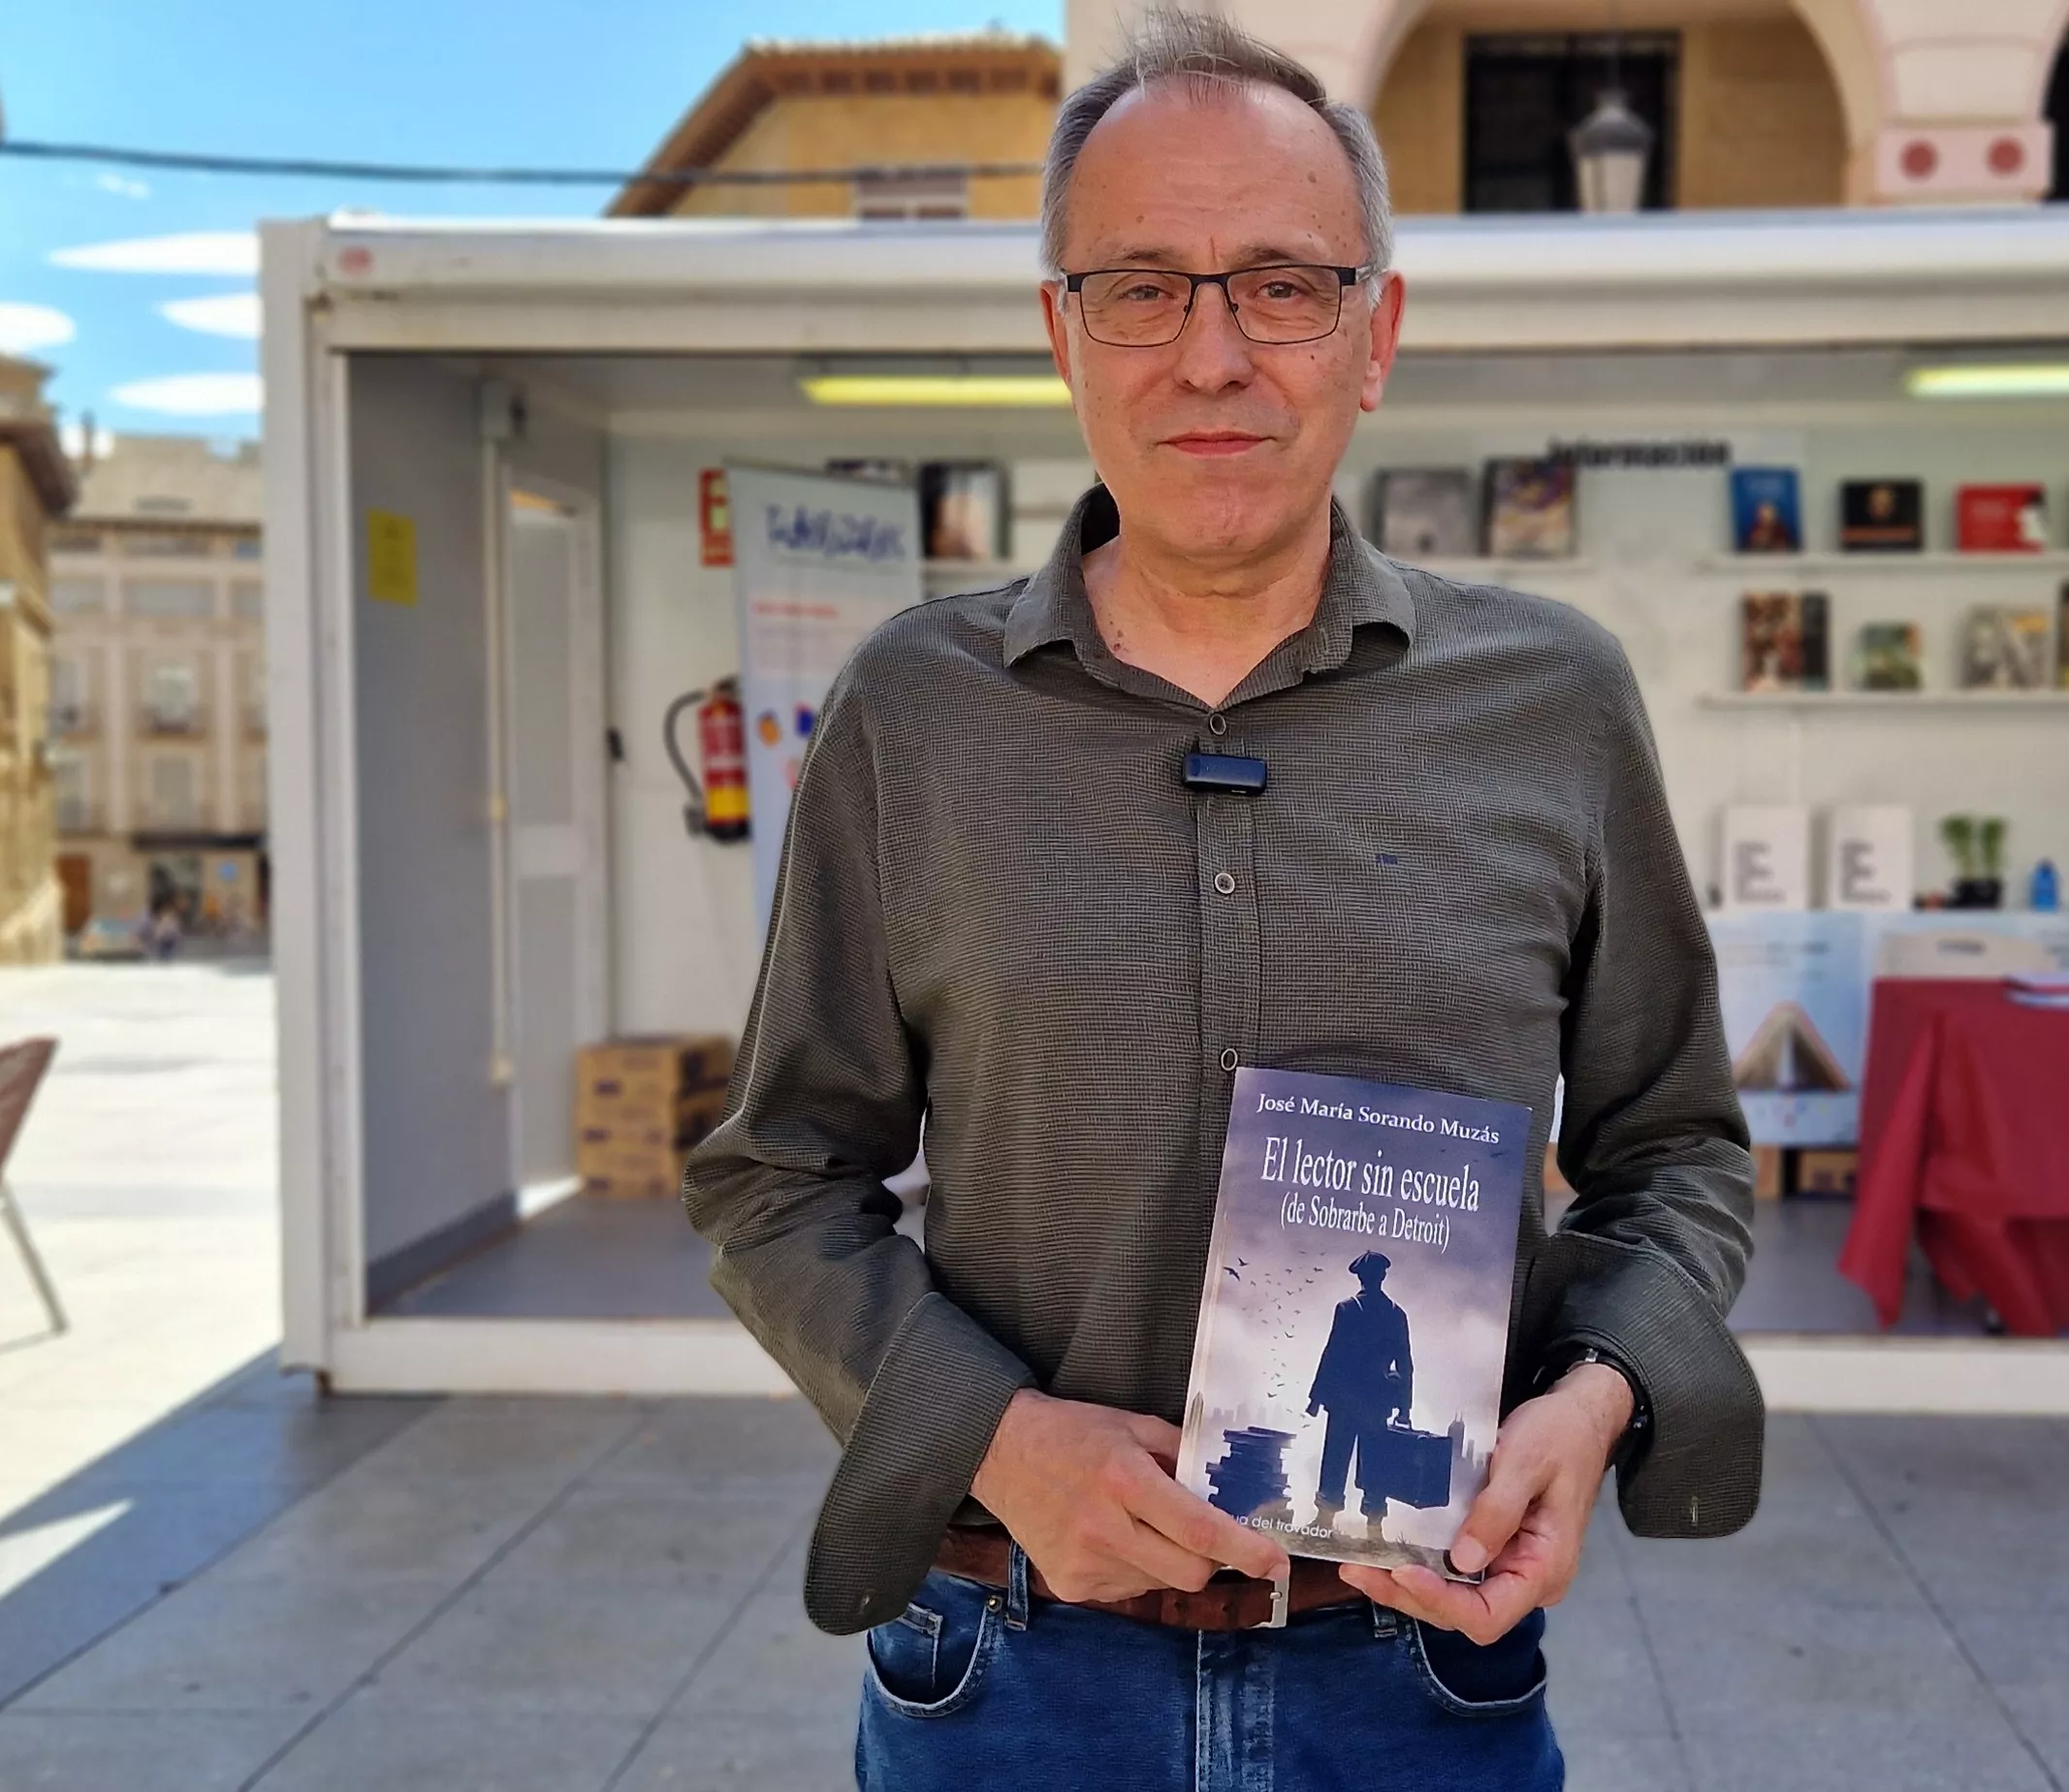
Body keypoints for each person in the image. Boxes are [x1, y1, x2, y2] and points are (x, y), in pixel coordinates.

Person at [682, 13, 1760, 1788]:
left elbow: (1678, 1149)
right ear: (1062, 333)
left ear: (1375, 333)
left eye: (1281, 285)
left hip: (1422, 1674)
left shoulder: (1554, 701)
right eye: (1140, 289)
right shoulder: (914, 712)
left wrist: (1600, 1395)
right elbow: (776, 1177)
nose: (1212, 354)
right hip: (1007, 1673)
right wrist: (998, 1437)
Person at [1305, 1251, 1414, 1539]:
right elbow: (1405, 1365)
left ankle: (1325, 1520)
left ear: (1361, 1277)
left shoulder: (1347, 1309)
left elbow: (1332, 1354)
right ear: (1382, 1276)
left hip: (1344, 1399)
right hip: (1377, 1402)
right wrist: (1404, 1408)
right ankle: (1374, 1528)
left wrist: (1316, 1397)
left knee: (1336, 1458)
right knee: (1375, 1463)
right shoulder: (1396, 1314)